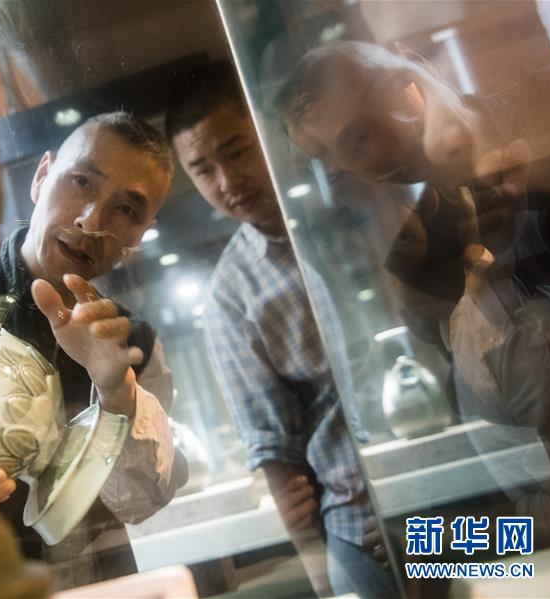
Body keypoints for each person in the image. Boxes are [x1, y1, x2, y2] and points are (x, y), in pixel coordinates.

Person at [276, 40, 550, 544]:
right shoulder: (445, 243)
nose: (352, 167)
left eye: (356, 137)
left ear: (414, 64)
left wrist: (438, 540)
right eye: (333, 157)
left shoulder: (541, 130)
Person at [0, 112, 184, 587]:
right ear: (42, 176)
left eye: (127, 210)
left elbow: (142, 503)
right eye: (81, 181)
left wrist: (117, 394)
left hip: (99, 584)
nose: (92, 220)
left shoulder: (135, 344)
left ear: (142, 232)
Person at [166, 61, 396, 599]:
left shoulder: (361, 201)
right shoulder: (231, 295)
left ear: (268, 131)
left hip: (462, 485)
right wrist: (323, 583)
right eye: (203, 170)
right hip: (362, 526)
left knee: (523, 568)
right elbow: (280, 467)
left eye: (237, 151)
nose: (227, 182)